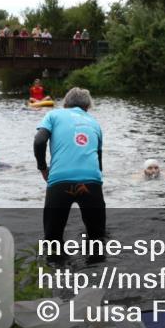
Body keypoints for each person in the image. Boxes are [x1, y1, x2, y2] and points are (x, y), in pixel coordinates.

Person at [33, 87, 105, 261]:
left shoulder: (53, 115)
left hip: (60, 182)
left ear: (65, 104)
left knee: (52, 240)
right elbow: (98, 160)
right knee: (97, 240)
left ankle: (57, 281)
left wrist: (43, 168)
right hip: (91, 183)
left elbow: (39, 140)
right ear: (87, 106)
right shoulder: (95, 123)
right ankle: (96, 278)